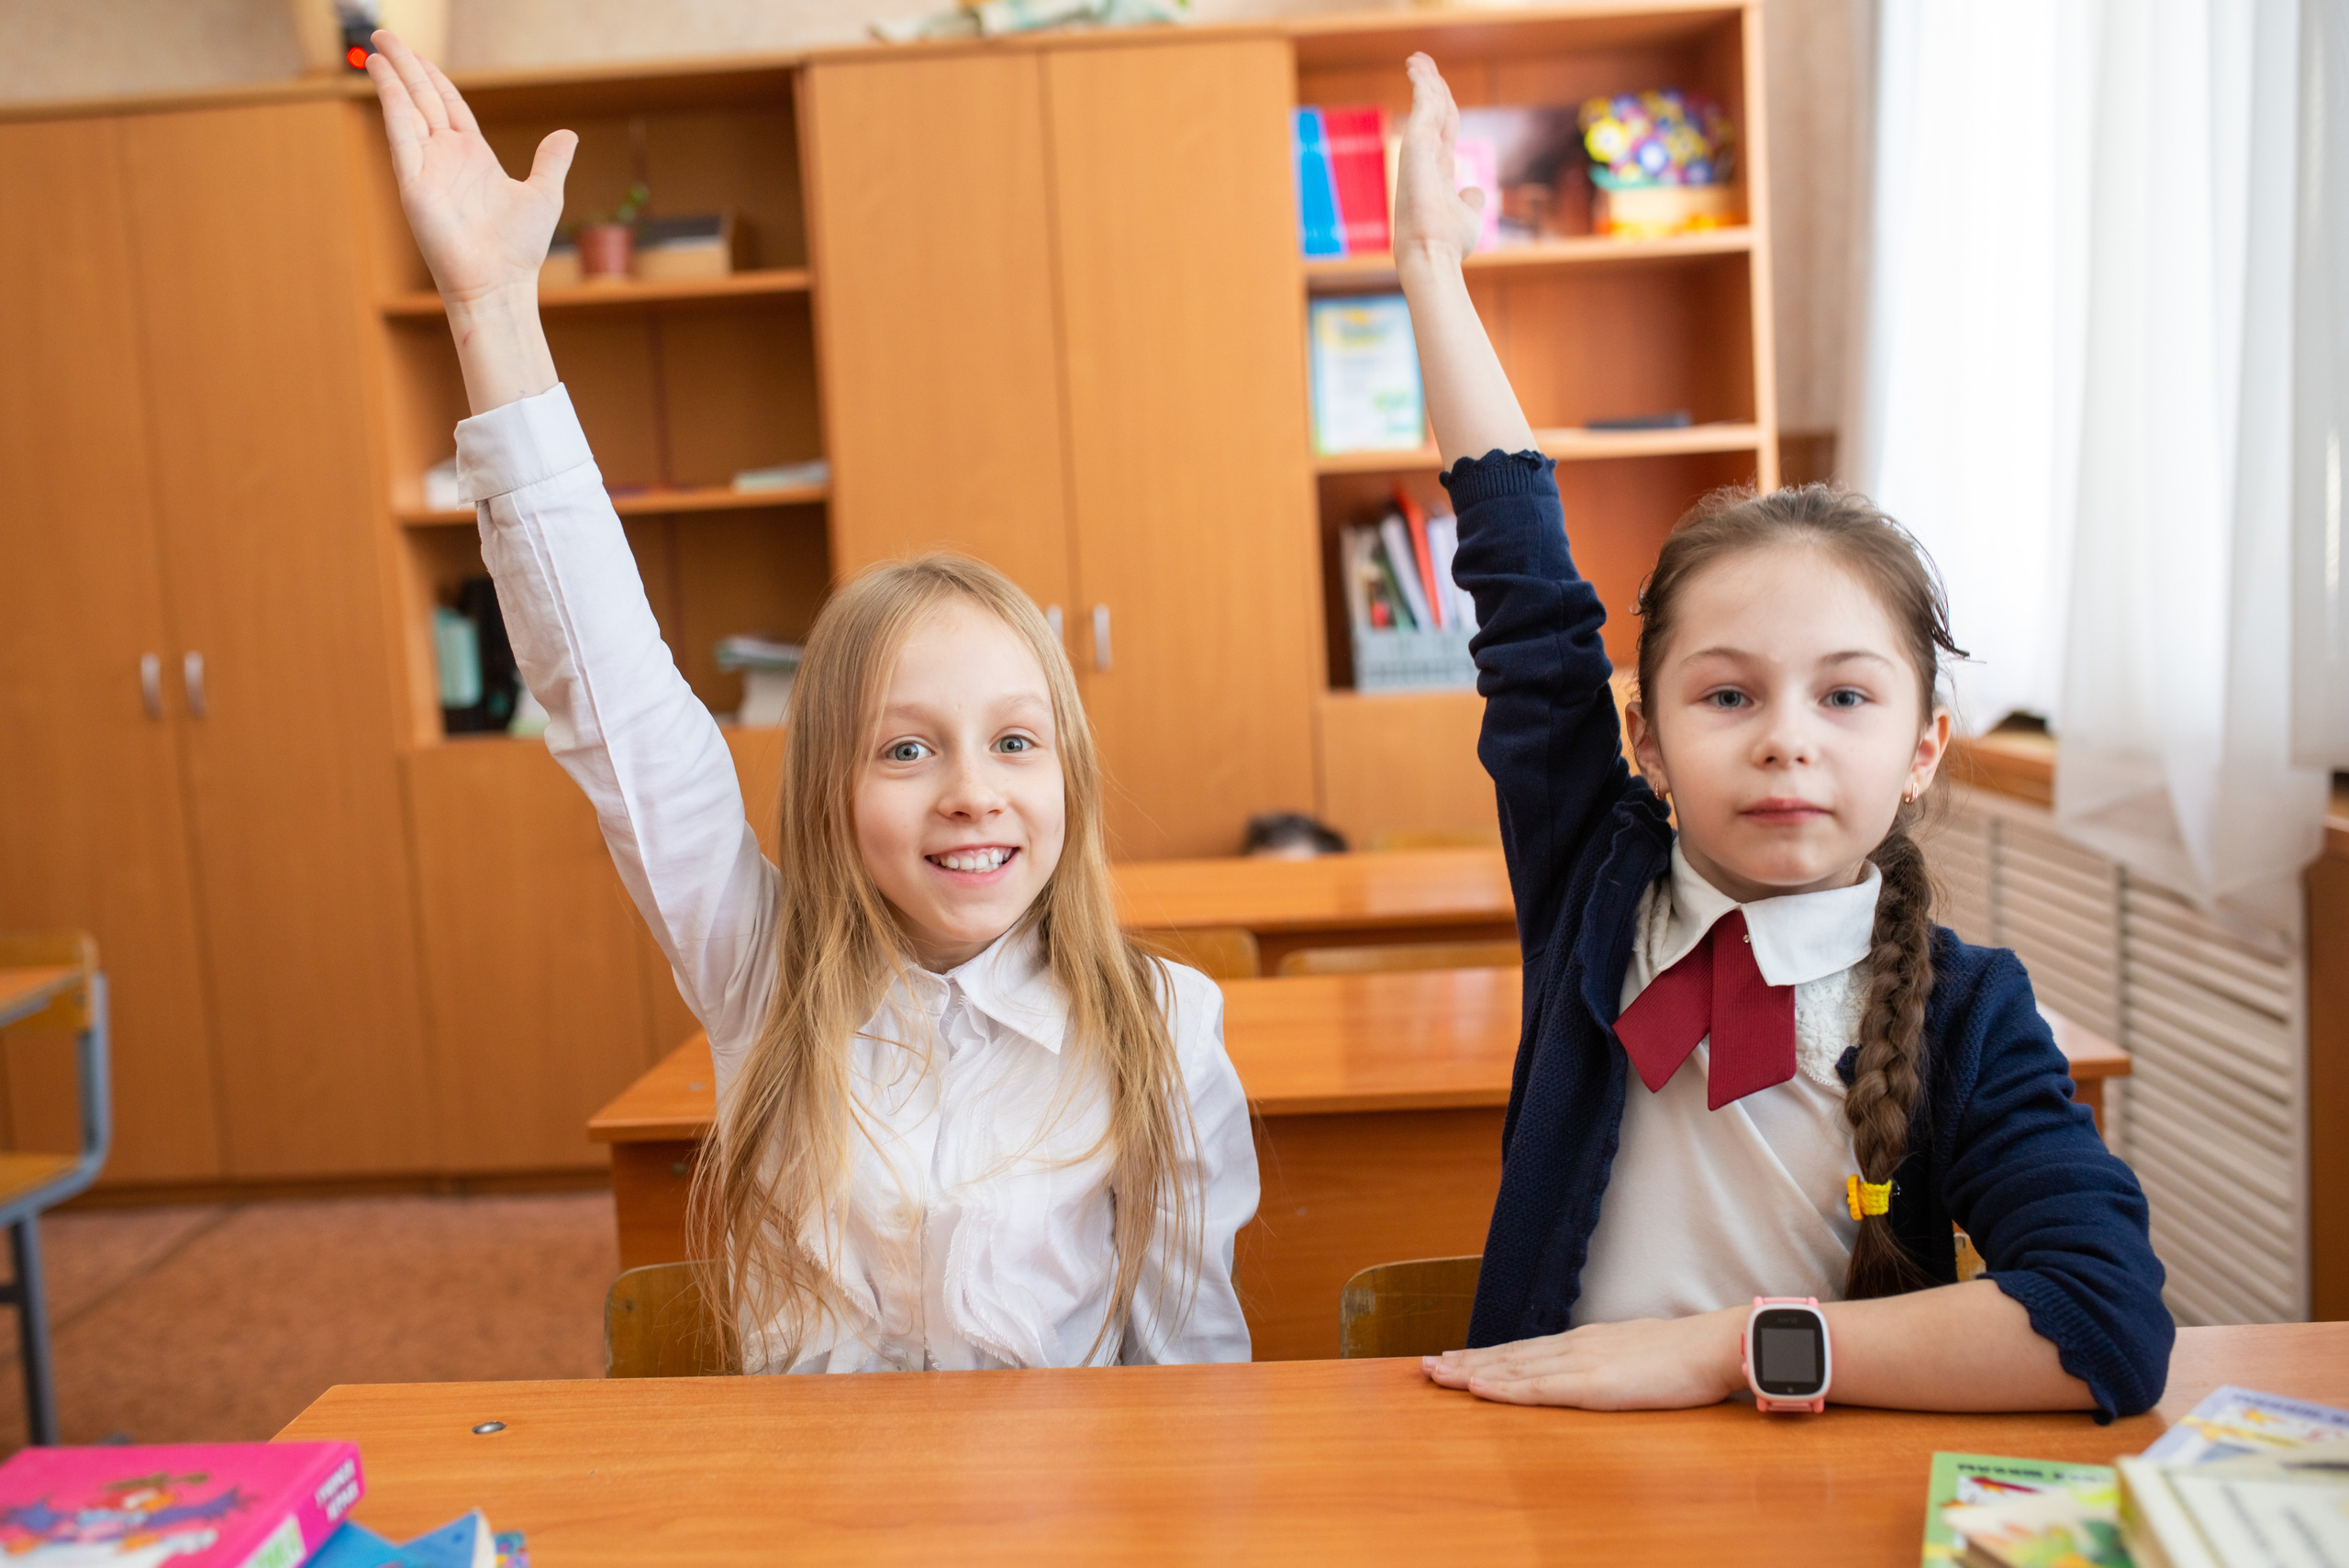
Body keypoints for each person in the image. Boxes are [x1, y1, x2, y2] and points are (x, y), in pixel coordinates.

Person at [362, 32, 1255, 1373]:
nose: (970, 786)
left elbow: (1194, 1377)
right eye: (906, 747)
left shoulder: (1164, 1027)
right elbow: (612, 699)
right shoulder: (762, 970)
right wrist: (494, 312)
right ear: (830, 785)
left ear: (1066, 768)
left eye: (1015, 741)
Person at [1391, 54, 2169, 1417]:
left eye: (1847, 696)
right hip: (1542, 1475)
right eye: (1729, 694)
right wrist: (1430, 273)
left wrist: (1720, 1347)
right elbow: (1522, 584)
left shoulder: (1971, 1010)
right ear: (1642, 737)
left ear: (1925, 746)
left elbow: (2106, 1318)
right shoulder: (1596, 881)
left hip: (1812, 1482)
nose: (1786, 741)